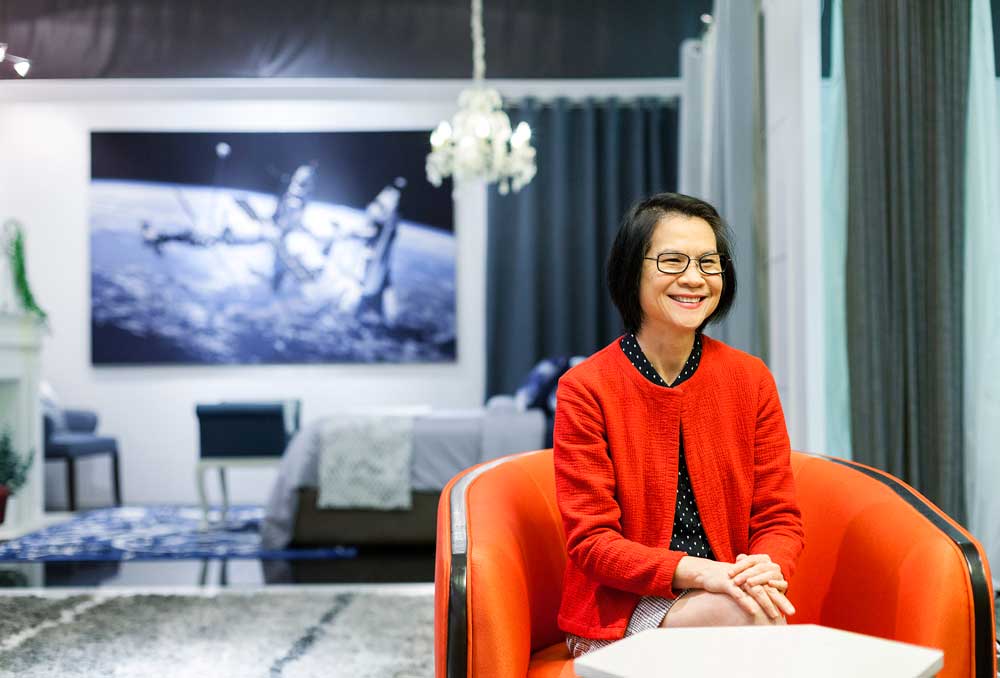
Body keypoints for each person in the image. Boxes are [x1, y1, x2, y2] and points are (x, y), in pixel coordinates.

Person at [553, 192, 805, 657]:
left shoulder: (750, 378)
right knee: (753, 616)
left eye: (709, 263)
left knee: (754, 609)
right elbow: (592, 542)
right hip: (622, 606)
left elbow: (778, 517)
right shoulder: (586, 387)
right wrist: (702, 572)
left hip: (728, 588)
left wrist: (765, 565)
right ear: (632, 270)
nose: (694, 278)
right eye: (672, 261)